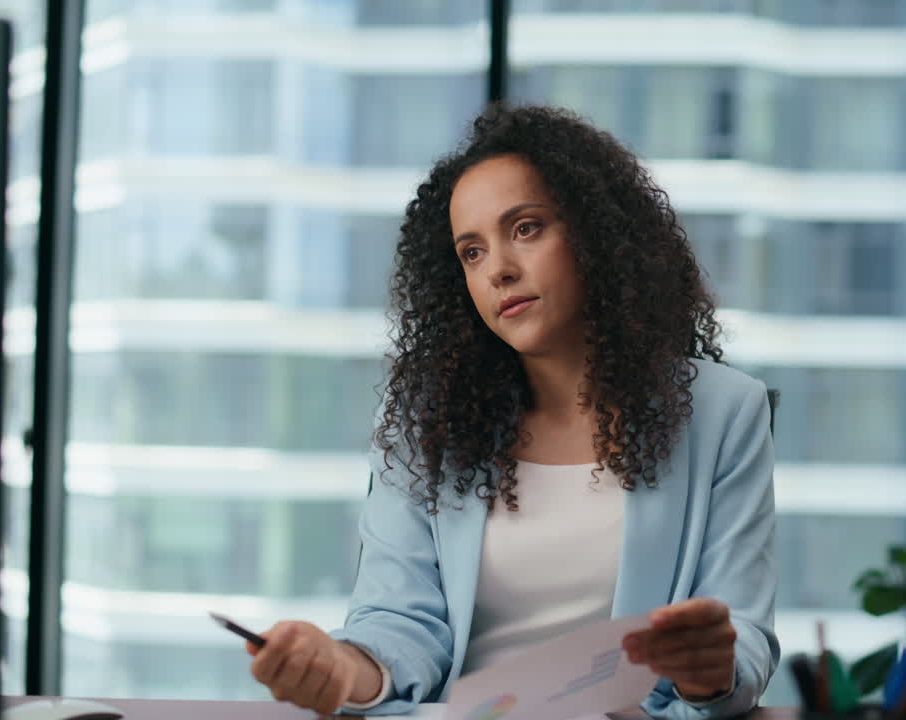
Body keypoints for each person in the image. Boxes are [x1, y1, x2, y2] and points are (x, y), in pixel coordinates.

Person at [244, 104, 779, 720]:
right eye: (471, 252)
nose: (498, 268)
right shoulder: (427, 420)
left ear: (594, 232)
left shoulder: (724, 413)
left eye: (525, 228)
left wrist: (710, 672)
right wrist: (343, 668)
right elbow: (398, 621)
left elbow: (744, 642)